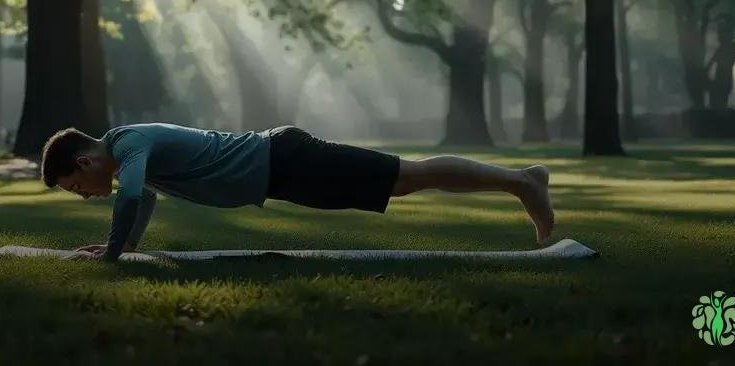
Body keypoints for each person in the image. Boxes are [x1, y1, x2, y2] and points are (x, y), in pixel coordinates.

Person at [40, 123, 555, 262]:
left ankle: (522, 182)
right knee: (402, 184)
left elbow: (129, 195)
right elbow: (144, 199)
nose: (84, 195)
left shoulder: (127, 144)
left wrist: (110, 255)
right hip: (282, 174)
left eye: (75, 187)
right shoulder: (132, 156)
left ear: (85, 162)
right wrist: (128, 245)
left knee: (409, 175)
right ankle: (521, 182)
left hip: (286, 159)